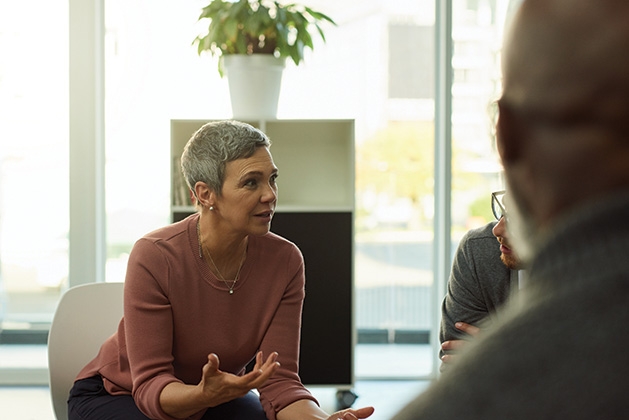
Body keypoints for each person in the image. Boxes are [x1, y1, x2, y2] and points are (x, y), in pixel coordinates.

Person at [392, 0, 629, 418]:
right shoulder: (479, 252)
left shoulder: (461, 405)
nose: (502, 228)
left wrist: (500, 347)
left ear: (507, 135)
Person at [67, 120, 374, 420]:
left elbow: (279, 384)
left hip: (216, 397)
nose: (270, 194)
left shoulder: (286, 261)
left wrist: (322, 419)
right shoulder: (155, 255)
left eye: (272, 179)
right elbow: (150, 385)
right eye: (251, 182)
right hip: (119, 393)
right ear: (205, 194)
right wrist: (203, 395)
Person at [439, 190, 523, 368]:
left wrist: (506, 357)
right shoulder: (478, 250)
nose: (497, 229)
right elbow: (455, 369)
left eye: (517, 219)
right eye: (503, 212)